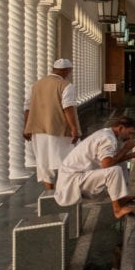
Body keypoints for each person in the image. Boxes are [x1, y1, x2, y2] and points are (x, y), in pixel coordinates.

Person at [55, 116, 135, 219]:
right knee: (115, 171)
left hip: (77, 175)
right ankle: (117, 210)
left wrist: (132, 155)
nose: (130, 137)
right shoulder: (108, 139)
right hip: (71, 181)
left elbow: (110, 161)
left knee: (120, 164)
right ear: (121, 128)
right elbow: (107, 164)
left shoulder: (107, 133)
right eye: (129, 133)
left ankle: (120, 198)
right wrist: (126, 148)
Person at [24, 58, 81, 191]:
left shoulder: (36, 85)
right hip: (58, 129)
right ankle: (65, 190)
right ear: (67, 71)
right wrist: (74, 128)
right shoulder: (66, 85)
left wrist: (26, 127)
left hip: (38, 130)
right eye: (69, 71)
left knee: (44, 162)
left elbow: (27, 107)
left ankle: (49, 190)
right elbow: (68, 107)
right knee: (67, 159)